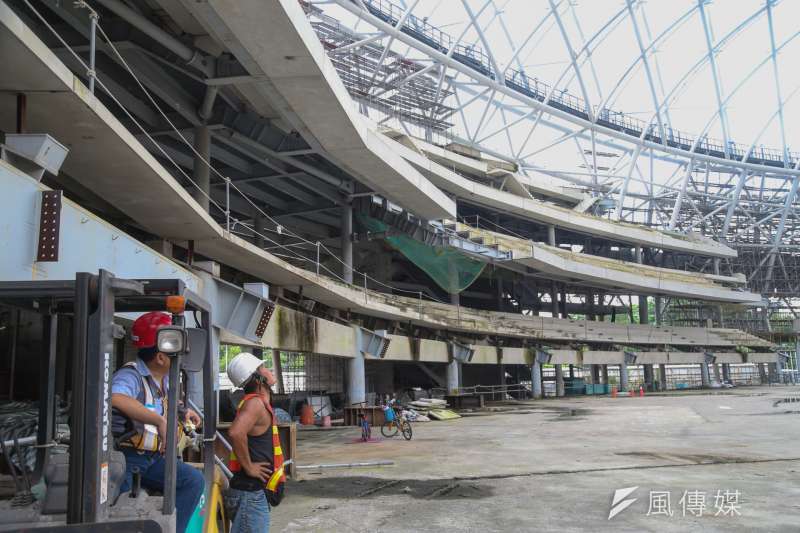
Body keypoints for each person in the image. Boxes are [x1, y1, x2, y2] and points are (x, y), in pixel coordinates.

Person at [111, 311, 205, 533]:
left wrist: (183, 412)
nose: (181, 360)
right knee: (123, 518)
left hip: (152, 459)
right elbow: (115, 397)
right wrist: (159, 421)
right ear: (161, 357)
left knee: (192, 481)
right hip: (127, 459)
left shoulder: (163, 381)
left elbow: (165, 402)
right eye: (176, 354)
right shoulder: (131, 376)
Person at [226, 352, 283, 533]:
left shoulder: (256, 403)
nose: (269, 370)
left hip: (253, 493)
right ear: (258, 379)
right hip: (250, 495)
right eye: (263, 368)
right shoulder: (255, 404)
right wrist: (249, 467)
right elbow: (235, 433)